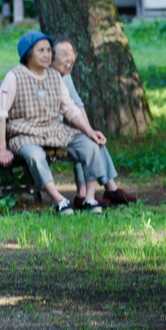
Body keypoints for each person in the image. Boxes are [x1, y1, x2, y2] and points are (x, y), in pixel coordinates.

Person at [0, 31, 110, 215]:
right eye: (41, 50)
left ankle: (89, 199)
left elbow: (70, 109)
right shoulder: (14, 76)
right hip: (25, 134)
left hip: (54, 130)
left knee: (90, 144)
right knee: (36, 155)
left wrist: (90, 131)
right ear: (28, 54)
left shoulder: (54, 76)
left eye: (48, 50)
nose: (47, 54)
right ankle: (59, 200)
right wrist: (2, 148)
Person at [51, 38, 138, 207]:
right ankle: (98, 191)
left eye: (71, 53)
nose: (69, 58)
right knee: (85, 142)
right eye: (64, 54)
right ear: (51, 58)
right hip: (48, 134)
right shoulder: (48, 77)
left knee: (91, 138)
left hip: (59, 133)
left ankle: (101, 190)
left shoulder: (65, 76)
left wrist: (89, 130)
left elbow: (78, 105)